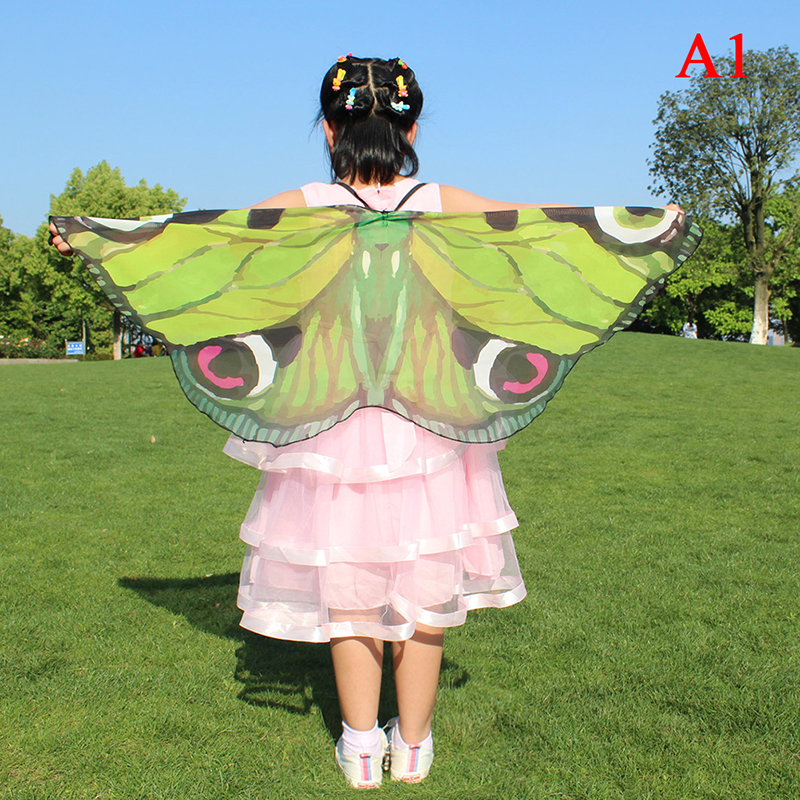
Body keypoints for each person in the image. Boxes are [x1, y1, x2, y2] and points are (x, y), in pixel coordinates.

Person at [51, 55, 684, 790]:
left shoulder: (308, 204)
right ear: (411, 130)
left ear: (329, 130)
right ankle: (413, 745)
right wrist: (651, 226)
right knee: (426, 582)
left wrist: (96, 233)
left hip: (332, 421)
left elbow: (203, 242)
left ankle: (360, 746)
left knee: (347, 584)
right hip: (430, 420)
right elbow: (545, 232)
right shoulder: (440, 202)